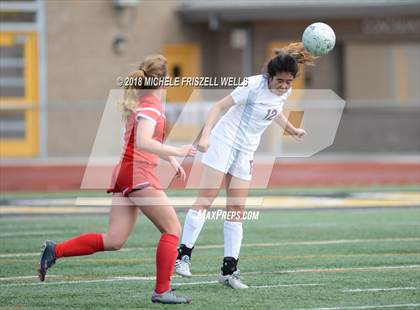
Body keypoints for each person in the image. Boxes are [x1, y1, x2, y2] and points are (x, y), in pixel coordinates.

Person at [37, 55, 196, 304]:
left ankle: (55, 250)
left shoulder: (144, 103)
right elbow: (144, 141)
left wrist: (171, 160)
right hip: (137, 174)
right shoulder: (151, 106)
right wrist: (179, 152)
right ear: (164, 81)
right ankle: (162, 291)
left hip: (127, 173)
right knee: (173, 229)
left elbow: (143, 142)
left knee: (114, 240)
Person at [175, 42, 315, 288]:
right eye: (279, 81)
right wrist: (205, 136)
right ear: (269, 76)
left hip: (246, 151)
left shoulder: (284, 92)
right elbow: (218, 107)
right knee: (206, 199)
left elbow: (275, 111)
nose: (284, 86)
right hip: (223, 142)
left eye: (288, 82)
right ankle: (183, 257)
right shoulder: (252, 85)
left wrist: (291, 129)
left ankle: (229, 271)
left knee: (237, 208)